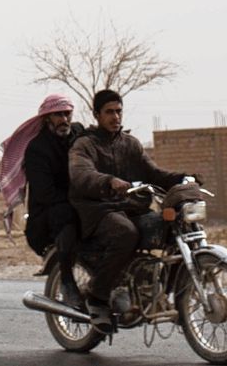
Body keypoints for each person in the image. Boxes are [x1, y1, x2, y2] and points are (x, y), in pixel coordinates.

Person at [69, 89, 188, 332]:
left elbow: (153, 173)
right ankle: (97, 296)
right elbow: (81, 174)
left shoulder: (130, 144)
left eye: (119, 111)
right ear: (97, 114)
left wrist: (183, 178)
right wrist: (109, 181)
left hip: (130, 207)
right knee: (126, 233)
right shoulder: (85, 145)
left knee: (174, 225)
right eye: (109, 112)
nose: (115, 117)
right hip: (97, 209)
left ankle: (160, 290)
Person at [0, 93, 84, 310]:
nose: (64, 119)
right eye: (58, 115)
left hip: (81, 203)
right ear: (47, 118)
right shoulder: (37, 149)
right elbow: (46, 194)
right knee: (68, 216)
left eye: (67, 114)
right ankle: (67, 282)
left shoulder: (79, 134)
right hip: (46, 219)